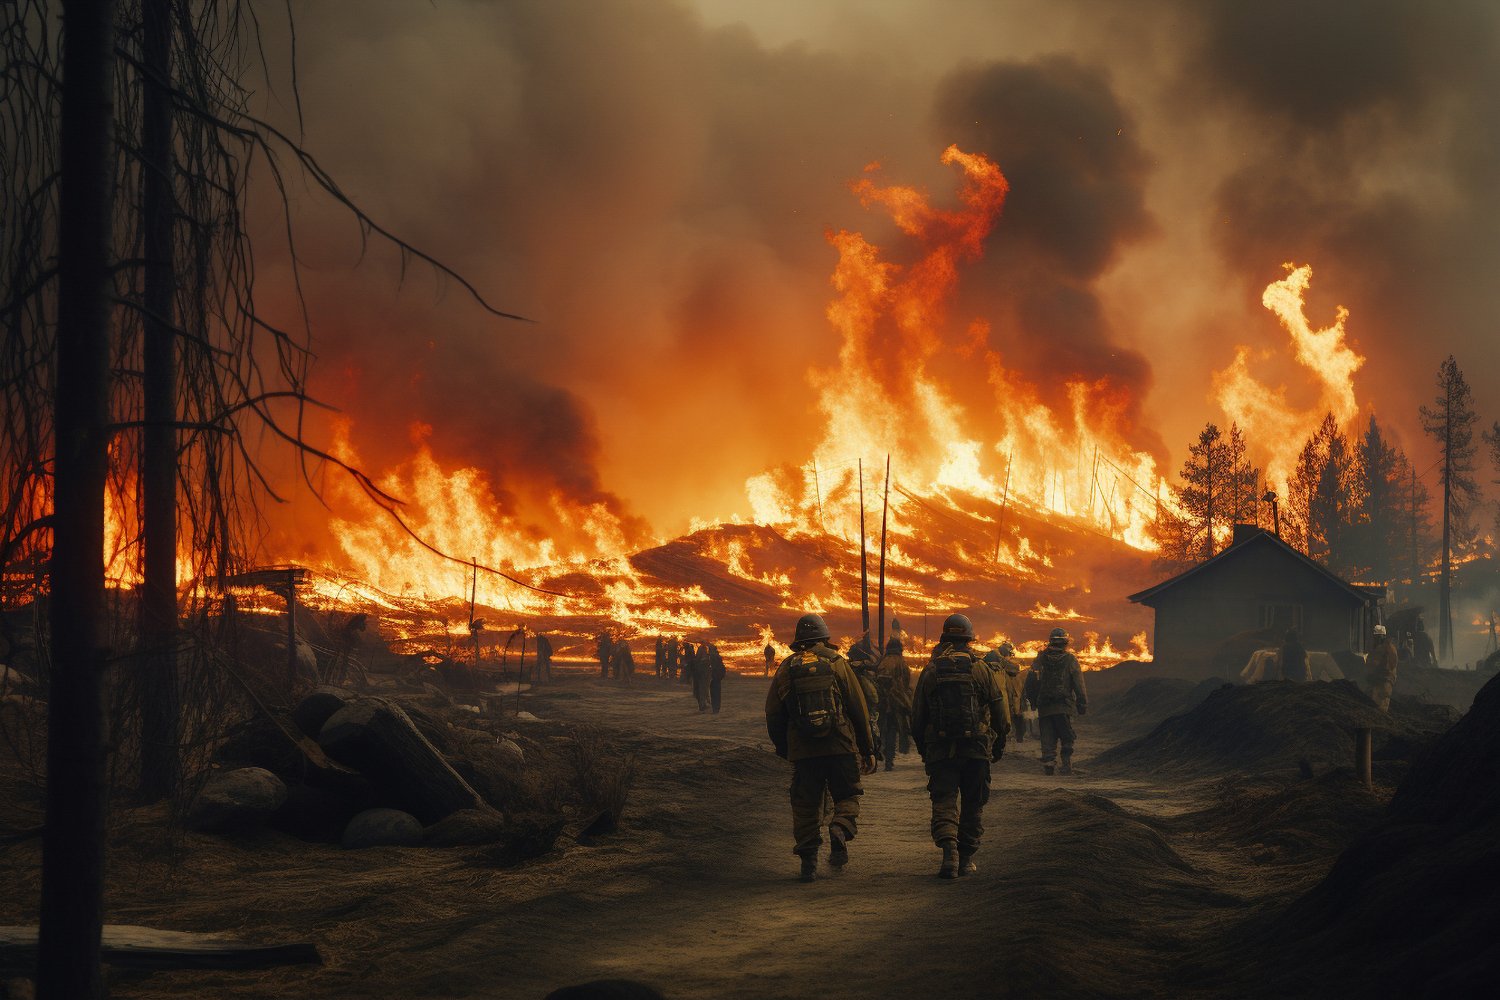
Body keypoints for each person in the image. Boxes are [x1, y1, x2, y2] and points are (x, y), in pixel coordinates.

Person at [765, 613, 876, 883]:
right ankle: (840, 826)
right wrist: (867, 747)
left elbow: (773, 713)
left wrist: (785, 747)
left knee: (805, 804)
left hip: (804, 751)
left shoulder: (787, 668)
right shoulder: (837, 663)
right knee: (847, 795)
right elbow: (857, 707)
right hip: (840, 745)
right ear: (825, 637)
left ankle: (808, 862)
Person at [911, 613, 1009, 878]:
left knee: (944, 801)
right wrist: (998, 744)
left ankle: (949, 851)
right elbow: (1001, 712)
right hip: (976, 749)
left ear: (944, 637)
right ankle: (966, 859)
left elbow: (917, 716)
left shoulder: (932, 669)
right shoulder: (980, 669)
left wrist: (924, 749)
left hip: (941, 750)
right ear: (969, 639)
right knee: (973, 803)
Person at [1026, 627, 1086, 776]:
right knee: (1066, 735)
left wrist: (1033, 701)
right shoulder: (1070, 659)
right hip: (1063, 705)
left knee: (1047, 734)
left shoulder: (1040, 659)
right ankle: (1066, 765)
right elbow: (1078, 682)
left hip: (1044, 705)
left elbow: (1031, 681)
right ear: (1065, 642)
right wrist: (1082, 702)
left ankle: (1049, 763)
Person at [875, 636, 913, 770]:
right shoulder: (901, 662)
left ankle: (884, 757)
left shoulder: (883, 661)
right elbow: (906, 681)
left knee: (883, 730)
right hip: (896, 702)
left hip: (882, 702)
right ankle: (889, 760)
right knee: (894, 729)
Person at [847, 636, 884, 762]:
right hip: (864, 707)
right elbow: (873, 697)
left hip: (850, 708)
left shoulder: (846, 669)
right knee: (871, 725)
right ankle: (873, 750)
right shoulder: (861, 672)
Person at [985, 641, 1027, 743]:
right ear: (1006, 653)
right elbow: (1014, 669)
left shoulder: (990, 658)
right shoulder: (998, 660)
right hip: (998, 695)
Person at [1365, 624, 1399, 712]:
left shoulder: (1387, 649)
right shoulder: (1381, 648)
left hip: (1384, 682)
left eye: (1377, 637)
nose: (1375, 639)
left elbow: (1390, 665)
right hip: (1379, 681)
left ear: (1382, 637)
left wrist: (1376, 674)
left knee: (1380, 708)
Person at [690, 642, 711, 711]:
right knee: (702, 691)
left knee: (702, 691)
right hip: (701, 676)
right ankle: (703, 705)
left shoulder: (703, 659)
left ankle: (703, 705)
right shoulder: (704, 658)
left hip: (701, 676)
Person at [708, 643, 727, 714]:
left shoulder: (714, 657)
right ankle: (716, 708)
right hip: (717, 677)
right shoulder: (717, 656)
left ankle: (715, 709)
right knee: (716, 693)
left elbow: (714, 667)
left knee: (714, 693)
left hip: (715, 677)